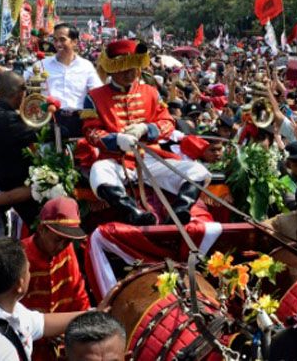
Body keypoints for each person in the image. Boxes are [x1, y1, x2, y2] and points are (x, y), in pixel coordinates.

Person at [82, 40, 210, 225]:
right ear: (112, 69)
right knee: (99, 172)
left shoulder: (151, 92)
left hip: (151, 158)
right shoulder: (94, 97)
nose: (130, 74)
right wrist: (116, 140)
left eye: (133, 68)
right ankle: (132, 212)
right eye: (124, 69)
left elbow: (168, 122)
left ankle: (180, 210)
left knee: (198, 171)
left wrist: (146, 128)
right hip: (116, 160)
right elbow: (91, 132)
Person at [0, 238, 84, 360]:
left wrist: (92, 315)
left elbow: (44, 323)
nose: (30, 274)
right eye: (28, 270)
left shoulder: (14, 311)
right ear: (20, 284)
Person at [22, 197, 91, 359]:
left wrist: (84, 328)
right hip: (29, 346)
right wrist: (46, 331)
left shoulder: (67, 250)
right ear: (41, 229)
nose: (61, 246)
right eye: (58, 239)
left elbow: (78, 293)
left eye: (67, 241)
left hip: (66, 343)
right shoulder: (21, 255)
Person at [0, 71, 41, 223]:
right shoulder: (8, 119)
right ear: (17, 93)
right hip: (21, 192)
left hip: (6, 186)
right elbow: (44, 132)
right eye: (24, 89)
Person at [24, 23, 102, 137]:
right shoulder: (41, 65)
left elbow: (98, 92)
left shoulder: (86, 66)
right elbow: (19, 80)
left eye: (62, 40)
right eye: (55, 40)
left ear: (74, 42)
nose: (58, 44)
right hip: (50, 120)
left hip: (78, 121)